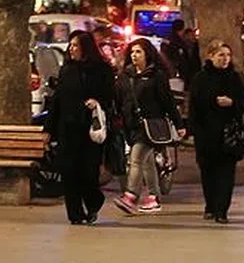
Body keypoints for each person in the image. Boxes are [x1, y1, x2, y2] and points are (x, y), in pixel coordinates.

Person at [46, 30, 115, 225]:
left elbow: (110, 95)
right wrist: (48, 130)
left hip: (89, 129)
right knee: (69, 171)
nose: (71, 49)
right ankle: (75, 214)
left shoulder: (101, 70)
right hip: (68, 128)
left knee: (87, 172)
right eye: (71, 45)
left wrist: (98, 101)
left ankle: (93, 201)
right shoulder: (67, 69)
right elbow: (57, 100)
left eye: (76, 45)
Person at [114, 39, 185, 215]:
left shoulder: (156, 76)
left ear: (147, 54)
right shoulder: (126, 76)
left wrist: (179, 124)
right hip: (133, 125)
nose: (134, 55)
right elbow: (119, 99)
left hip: (151, 124)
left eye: (138, 52)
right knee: (148, 163)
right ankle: (153, 197)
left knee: (136, 158)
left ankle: (130, 196)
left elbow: (167, 101)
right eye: (132, 52)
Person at [190, 39, 244, 224]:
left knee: (226, 173)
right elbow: (194, 106)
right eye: (221, 55)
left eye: (228, 55)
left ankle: (222, 209)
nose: (225, 59)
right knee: (208, 172)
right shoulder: (201, 78)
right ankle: (211, 205)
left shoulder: (234, 78)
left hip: (228, 134)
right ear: (211, 56)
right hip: (206, 134)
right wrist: (193, 130)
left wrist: (232, 103)